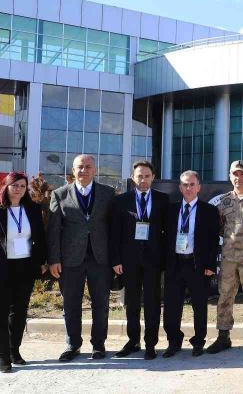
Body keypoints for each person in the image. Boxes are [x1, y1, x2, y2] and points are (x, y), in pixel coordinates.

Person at [48, 154, 116, 362]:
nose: (84, 170)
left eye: (88, 167)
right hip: (70, 260)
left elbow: (115, 228)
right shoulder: (59, 194)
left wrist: (116, 259)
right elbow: (53, 230)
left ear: (94, 170)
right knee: (71, 304)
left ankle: (98, 345)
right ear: (73, 170)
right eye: (80, 167)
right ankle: (73, 344)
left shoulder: (108, 193)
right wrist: (53, 259)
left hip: (100, 258)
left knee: (101, 304)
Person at [110, 161, 169, 360]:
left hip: (154, 260)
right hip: (129, 260)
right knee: (132, 302)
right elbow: (115, 233)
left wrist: (165, 259)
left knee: (152, 303)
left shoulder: (163, 200)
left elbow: (167, 232)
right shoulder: (121, 201)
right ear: (133, 178)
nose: (143, 180)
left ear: (153, 177)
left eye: (147, 176)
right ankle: (133, 341)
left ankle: (151, 344)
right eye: (139, 176)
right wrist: (116, 260)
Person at [207, 160, 243, 354]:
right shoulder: (224, 201)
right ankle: (223, 337)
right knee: (225, 297)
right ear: (230, 176)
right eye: (235, 174)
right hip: (229, 260)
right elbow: (219, 228)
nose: (238, 177)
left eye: (242, 174)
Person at [162, 170, 220, 358]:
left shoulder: (209, 211)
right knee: (172, 306)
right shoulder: (170, 210)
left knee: (199, 306)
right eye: (185, 185)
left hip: (198, 266)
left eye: (192, 184)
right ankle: (174, 341)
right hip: (175, 264)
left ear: (199, 187)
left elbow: (214, 240)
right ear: (180, 187)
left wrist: (210, 265)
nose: (188, 188)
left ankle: (198, 342)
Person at [0, 172, 47, 372]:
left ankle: (14, 350)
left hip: (26, 266)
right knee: (2, 312)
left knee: (19, 311)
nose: (18, 189)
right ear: (6, 187)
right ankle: (2, 356)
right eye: (15, 185)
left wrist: (42, 261)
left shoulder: (32, 209)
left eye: (22, 186)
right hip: (3, 267)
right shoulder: (1, 209)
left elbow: (41, 237)